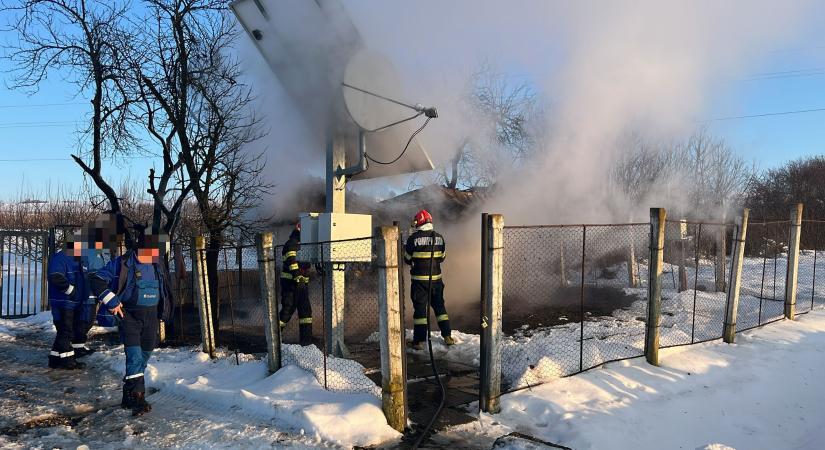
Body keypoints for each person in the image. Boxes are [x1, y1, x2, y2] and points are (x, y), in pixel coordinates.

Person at [89, 228, 172, 416]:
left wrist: (165, 311)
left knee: (146, 353)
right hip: (129, 317)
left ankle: (128, 391)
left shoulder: (157, 263)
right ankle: (137, 397)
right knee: (134, 356)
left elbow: (166, 288)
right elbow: (96, 279)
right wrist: (111, 300)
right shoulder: (123, 263)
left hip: (151, 317)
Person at [404, 209, 454, 350]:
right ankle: (447, 336)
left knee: (420, 311)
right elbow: (442, 257)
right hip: (436, 281)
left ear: (418, 222)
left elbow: (407, 259)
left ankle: (419, 341)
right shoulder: (440, 237)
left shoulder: (413, 239)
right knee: (440, 308)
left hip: (419, 282)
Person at [47, 230, 91, 369]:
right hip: (63, 302)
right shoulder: (60, 258)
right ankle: (68, 360)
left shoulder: (79, 259)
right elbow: (55, 277)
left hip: (74, 302)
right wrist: (71, 291)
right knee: (66, 331)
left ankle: (54, 359)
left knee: (64, 331)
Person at [279, 222, 313, 346]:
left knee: (306, 313)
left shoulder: (304, 244)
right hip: (290, 284)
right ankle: (274, 339)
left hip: (302, 285)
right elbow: (291, 260)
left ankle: (306, 343)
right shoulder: (291, 243)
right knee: (287, 311)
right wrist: (297, 275)